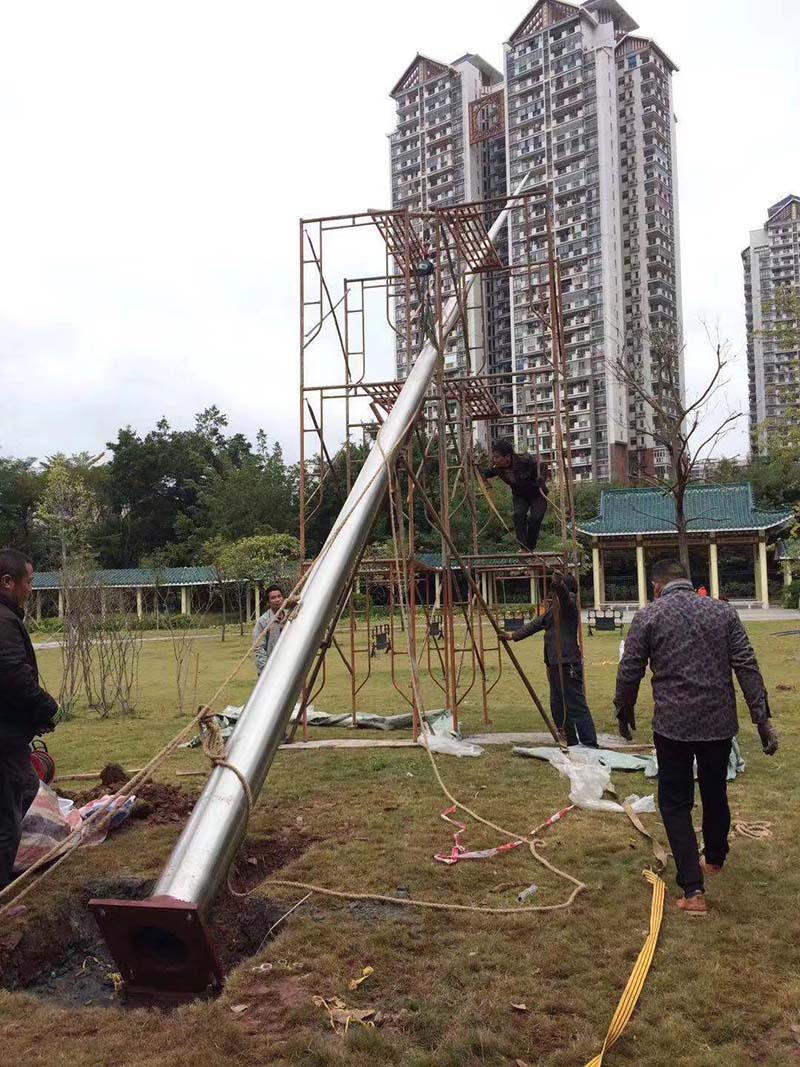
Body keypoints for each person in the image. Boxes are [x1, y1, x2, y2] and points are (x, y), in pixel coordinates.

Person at [614, 558, 777, 916]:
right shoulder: (722, 613)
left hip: (672, 725)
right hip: (718, 723)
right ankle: (714, 858)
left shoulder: (649, 616)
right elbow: (747, 665)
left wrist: (623, 710)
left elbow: (630, 670)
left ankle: (693, 890)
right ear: (689, 581)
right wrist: (762, 719)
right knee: (715, 790)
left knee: (674, 803)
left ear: (656, 586)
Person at [0, 549, 59, 890]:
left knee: (25, 786)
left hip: (10, 733)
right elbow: (12, 675)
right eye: (29, 581)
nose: (31, 588)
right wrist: (47, 706)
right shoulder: (4, 622)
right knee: (7, 819)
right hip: (4, 738)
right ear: (7, 582)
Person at [501, 571, 598, 747]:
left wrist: (558, 584)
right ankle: (571, 740)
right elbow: (537, 623)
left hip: (567, 662)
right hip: (554, 663)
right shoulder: (554, 610)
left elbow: (564, 596)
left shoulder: (569, 606)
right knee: (558, 703)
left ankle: (590, 743)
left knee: (575, 704)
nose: (550, 597)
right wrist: (513, 636)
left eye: (553, 593)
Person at [482, 438, 548, 552]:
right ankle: (523, 547)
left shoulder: (524, 461)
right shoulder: (498, 469)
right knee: (518, 515)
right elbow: (486, 473)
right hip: (520, 495)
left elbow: (542, 466)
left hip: (536, 493)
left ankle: (529, 547)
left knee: (536, 518)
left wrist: (541, 479)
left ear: (507, 457)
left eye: (497, 457)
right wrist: (474, 468)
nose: (494, 460)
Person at [253, 584, 286, 675]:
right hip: (271, 668)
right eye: (273, 598)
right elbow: (259, 647)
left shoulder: (290, 615)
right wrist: (265, 670)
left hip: (288, 664)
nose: (277, 600)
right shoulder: (263, 621)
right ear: (268, 602)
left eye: (279, 596)